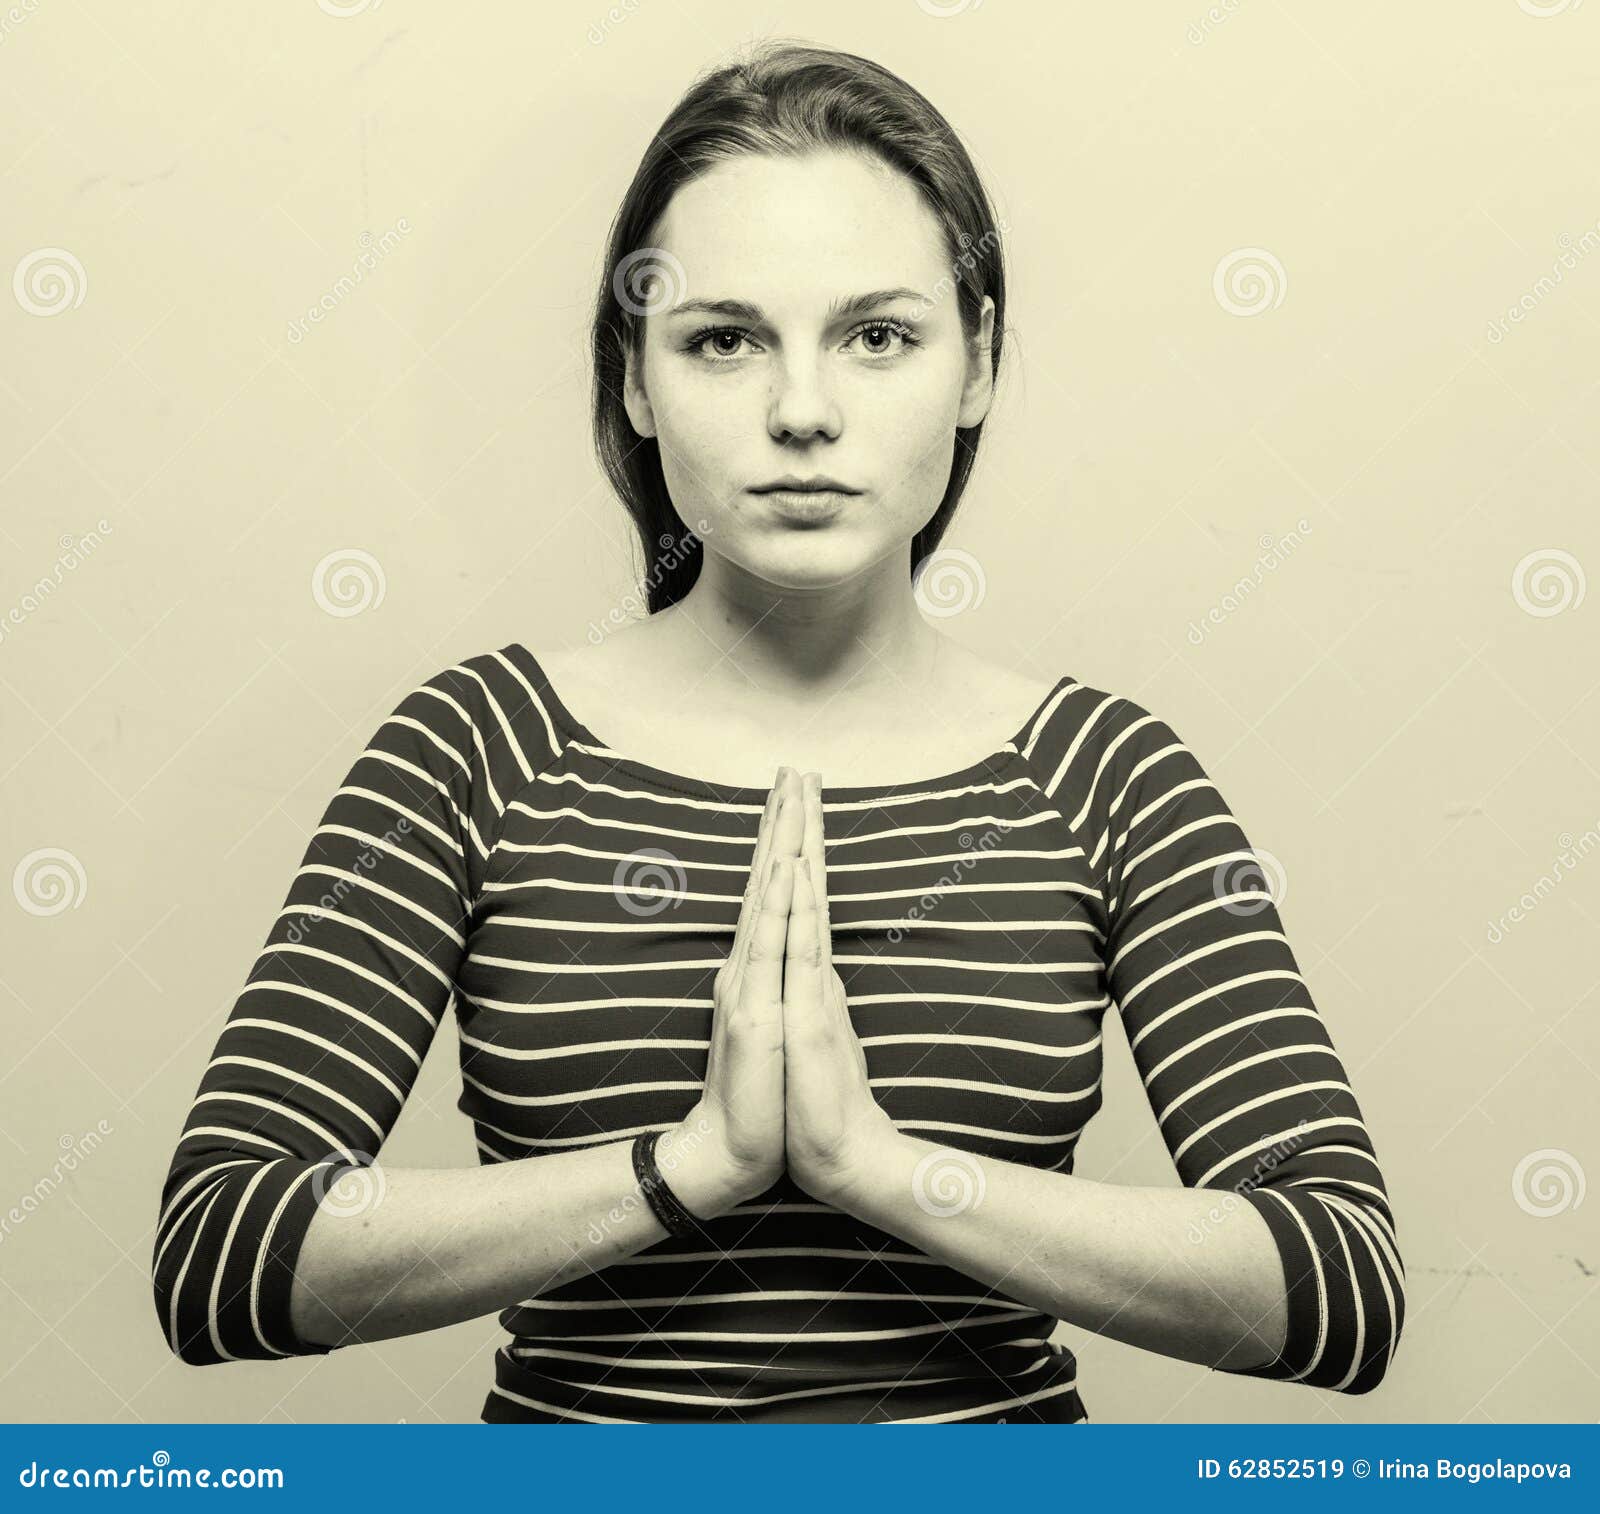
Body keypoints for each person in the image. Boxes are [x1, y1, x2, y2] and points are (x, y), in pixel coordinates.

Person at [151, 39, 1405, 1423]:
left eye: (878, 336)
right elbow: (219, 1253)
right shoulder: (472, 747)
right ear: (636, 382)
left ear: (976, 363)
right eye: (723, 339)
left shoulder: (1106, 773)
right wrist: (690, 1165)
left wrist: (875, 1164)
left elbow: (1339, 1284)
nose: (802, 411)